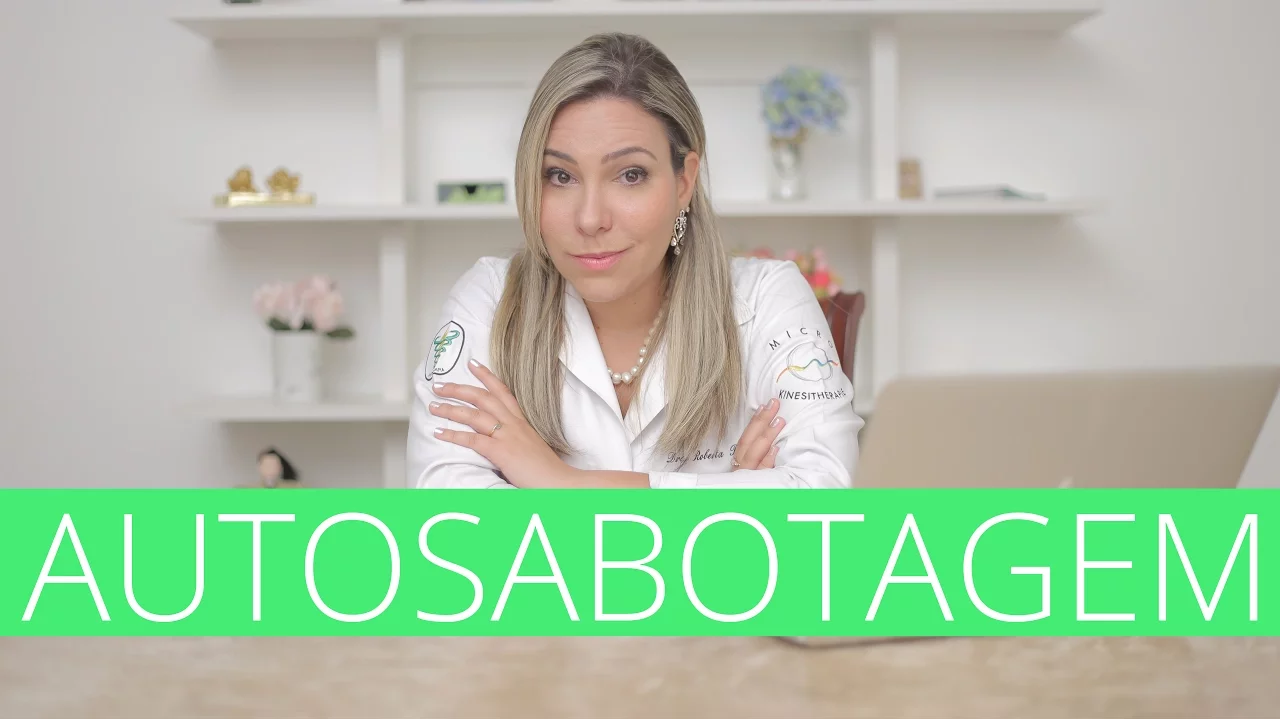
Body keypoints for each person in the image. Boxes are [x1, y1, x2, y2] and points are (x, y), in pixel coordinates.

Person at [406, 32, 864, 489]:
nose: (590, 219)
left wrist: (558, 481)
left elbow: (824, 495)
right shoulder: (489, 299)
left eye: (630, 175)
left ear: (684, 182)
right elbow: (447, 511)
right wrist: (730, 501)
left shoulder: (767, 298)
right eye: (560, 176)